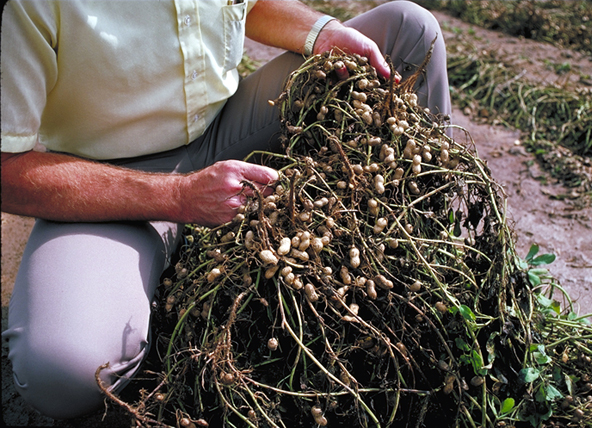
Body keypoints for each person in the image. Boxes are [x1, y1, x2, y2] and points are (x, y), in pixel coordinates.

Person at [1, 0, 451, 420]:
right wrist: (178, 196)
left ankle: (421, 268)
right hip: (109, 178)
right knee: (61, 372)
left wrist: (321, 31)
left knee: (409, 30)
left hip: (228, 127)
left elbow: (251, 5)